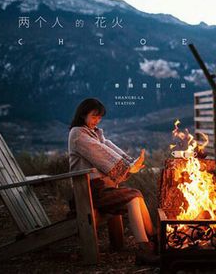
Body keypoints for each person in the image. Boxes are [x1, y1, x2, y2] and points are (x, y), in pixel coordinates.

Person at [68, 98, 158, 264]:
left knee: (135, 198)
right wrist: (127, 167)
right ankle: (147, 247)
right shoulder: (78, 134)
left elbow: (108, 146)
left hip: (100, 190)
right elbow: (101, 153)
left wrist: (130, 163)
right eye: (94, 116)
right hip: (87, 192)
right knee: (134, 196)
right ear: (83, 115)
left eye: (100, 117)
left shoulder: (94, 133)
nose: (97, 120)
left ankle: (151, 242)